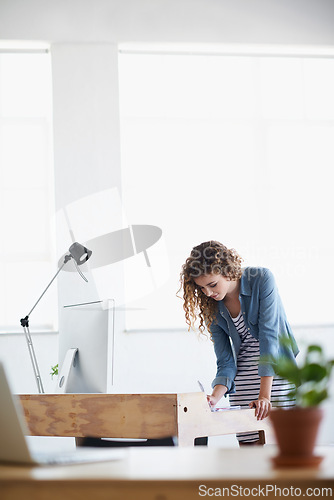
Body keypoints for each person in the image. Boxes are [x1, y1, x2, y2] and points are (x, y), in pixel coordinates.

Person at [179, 241, 299, 445]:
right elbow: (225, 359)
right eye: (202, 288)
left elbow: (270, 337)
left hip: (274, 375)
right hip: (244, 380)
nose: (208, 293)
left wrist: (265, 396)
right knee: (250, 453)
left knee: (283, 447)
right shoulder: (212, 306)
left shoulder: (261, 278)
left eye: (212, 284)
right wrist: (214, 398)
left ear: (226, 270)